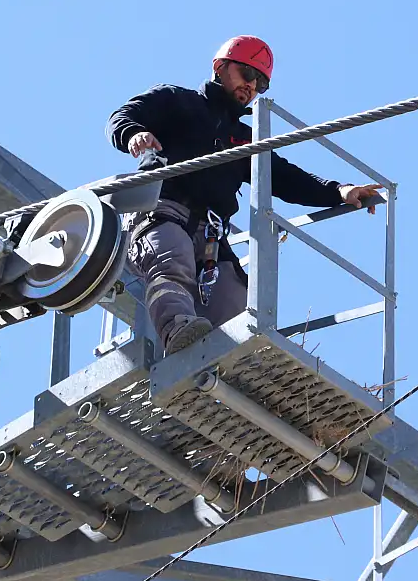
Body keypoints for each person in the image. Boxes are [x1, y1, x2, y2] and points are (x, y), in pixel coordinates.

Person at [106, 35, 381, 353]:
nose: (252, 87)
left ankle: (243, 373)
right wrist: (134, 135)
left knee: (235, 301)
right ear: (220, 67)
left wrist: (339, 191)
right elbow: (123, 117)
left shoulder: (244, 139)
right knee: (173, 259)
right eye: (248, 74)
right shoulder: (177, 101)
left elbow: (285, 178)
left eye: (261, 83)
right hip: (161, 213)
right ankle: (177, 332)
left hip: (209, 238)